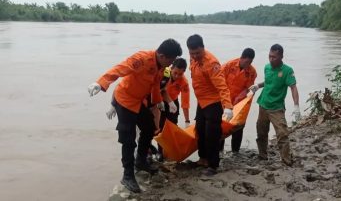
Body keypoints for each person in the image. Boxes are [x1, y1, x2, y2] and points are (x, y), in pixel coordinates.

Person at [87, 39, 182, 193]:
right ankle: (128, 175)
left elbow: (155, 86)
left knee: (149, 127)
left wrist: (159, 103)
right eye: (170, 61)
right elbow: (120, 68)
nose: (171, 65)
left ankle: (141, 161)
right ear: (162, 55)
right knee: (129, 139)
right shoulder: (142, 59)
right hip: (124, 100)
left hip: (138, 102)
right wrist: (101, 82)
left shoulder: (160, 66)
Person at [187, 34, 233, 176]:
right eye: (192, 53)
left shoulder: (212, 63)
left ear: (203, 48)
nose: (195, 56)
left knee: (211, 135)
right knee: (199, 131)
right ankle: (203, 159)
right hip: (201, 102)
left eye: (198, 53)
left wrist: (228, 107)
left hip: (213, 103)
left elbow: (222, 86)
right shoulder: (193, 58)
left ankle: (213, 165)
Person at [249, 44, 301, 166]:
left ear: (281, 57)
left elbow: (293, 87)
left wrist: (296, 106)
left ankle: (286, 160)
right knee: (261, 132)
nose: (271, 59)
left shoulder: (287, 71)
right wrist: (257, 86)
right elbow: (268, 81)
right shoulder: (267, 67)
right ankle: (262, 155)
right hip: (263, 104)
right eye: (270, 56)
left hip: (276, 108)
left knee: (282, 134)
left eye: (274, 57)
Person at [219, 48, 257, 154]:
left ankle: (235, 152)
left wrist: (242, 95)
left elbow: (249, 88)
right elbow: (219, 82)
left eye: (250, 62)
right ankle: (219, 151)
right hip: (225, 101)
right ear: (241, 58)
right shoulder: (228, 66)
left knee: (238, 127)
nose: (248, 65)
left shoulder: (252, 72)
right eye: (246, 62)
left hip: (240, 103)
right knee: (222, 126)